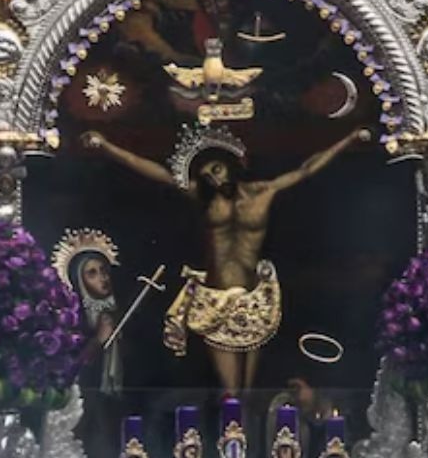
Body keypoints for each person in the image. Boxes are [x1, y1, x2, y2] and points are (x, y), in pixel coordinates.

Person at [80, 125, 370, 393]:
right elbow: (156, 172)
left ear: (232, 166)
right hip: (217, 300)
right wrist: (107, 147)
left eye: (217, 169)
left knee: (250, 390)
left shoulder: (264, 191)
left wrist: (347, 140)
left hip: (257, 299)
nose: (215, 178)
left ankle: (251, 443)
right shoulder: (202, 198)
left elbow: (307, 169)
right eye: (207, 175)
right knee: (230, 391)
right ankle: (232, 443)